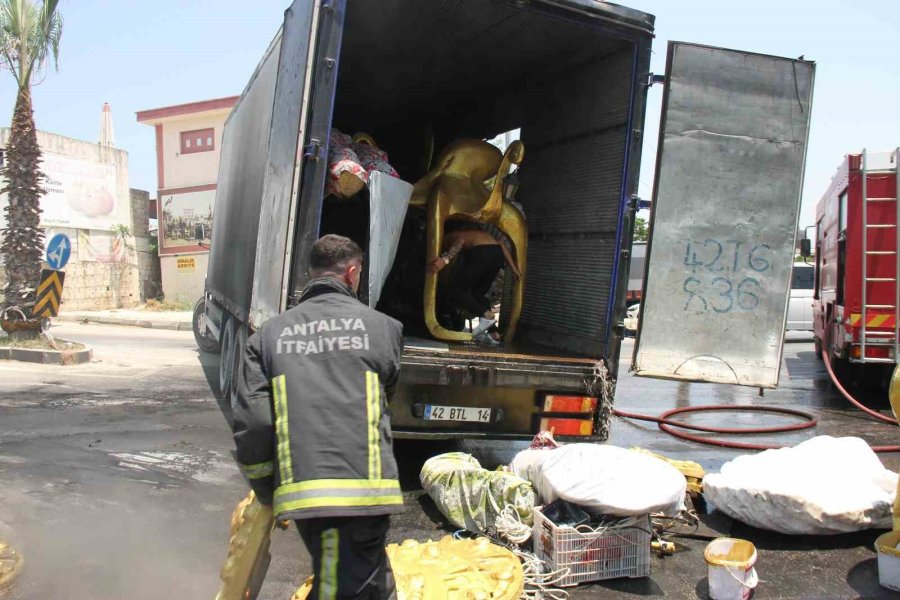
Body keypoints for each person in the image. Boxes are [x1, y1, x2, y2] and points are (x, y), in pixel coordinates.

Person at [231, 234, 404, 599]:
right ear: (352, 273)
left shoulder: (268, 336)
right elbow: (384, 394)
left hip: (307, 494)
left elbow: (254, 423)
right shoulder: (385, 328)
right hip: (365, 493)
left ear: (311, 274)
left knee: (366, 584)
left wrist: (266, 490)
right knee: (347, 587)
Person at [428, 226, 521, 339]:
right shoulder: (481, 234)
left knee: (456, 289)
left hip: (481, 254)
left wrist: (445, 260)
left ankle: (486, 315)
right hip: (498, 255)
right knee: (477, 295)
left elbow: (459, 242)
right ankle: (494, 333)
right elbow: (501, 244)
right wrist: (513, 268)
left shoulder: (450, 235)